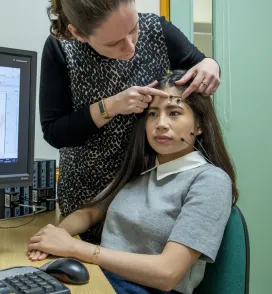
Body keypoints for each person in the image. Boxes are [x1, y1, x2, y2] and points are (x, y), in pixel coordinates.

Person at [28, 70, 238, 294]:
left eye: (174, 113)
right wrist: (54, 237)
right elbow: (90, 212)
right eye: (152, 114)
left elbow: (167, 274)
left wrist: (74, 248)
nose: (161, 124)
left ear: (199, 125)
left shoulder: (210, 181)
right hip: (101, 277)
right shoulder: (142, 170)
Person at [40, 0, 222, 244]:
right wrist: (111, 106)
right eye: (114, 43)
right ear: (78, 34)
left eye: (133, 30)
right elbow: (55, 132)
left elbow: (198, 73)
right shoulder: (61, 48)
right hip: (89, 195)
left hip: (150, 190)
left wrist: (211, 64)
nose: (130, 48)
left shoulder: (158, 30)